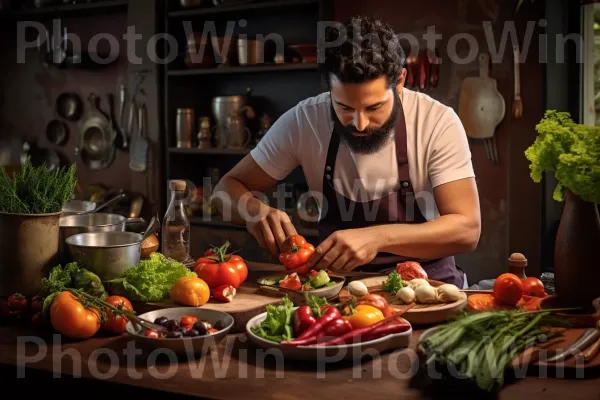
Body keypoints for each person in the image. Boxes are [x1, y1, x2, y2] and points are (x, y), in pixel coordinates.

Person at [212, 16, 481, 288]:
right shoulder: (305, 120)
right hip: (339, 291)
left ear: (400, 81)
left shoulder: (436, 122)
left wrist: (377, 238)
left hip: (428, 289)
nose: (360, 124)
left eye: (374, 108)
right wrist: (252, 210)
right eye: (345, 108)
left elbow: (467, 230)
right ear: (329, 88)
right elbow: (224, 190)